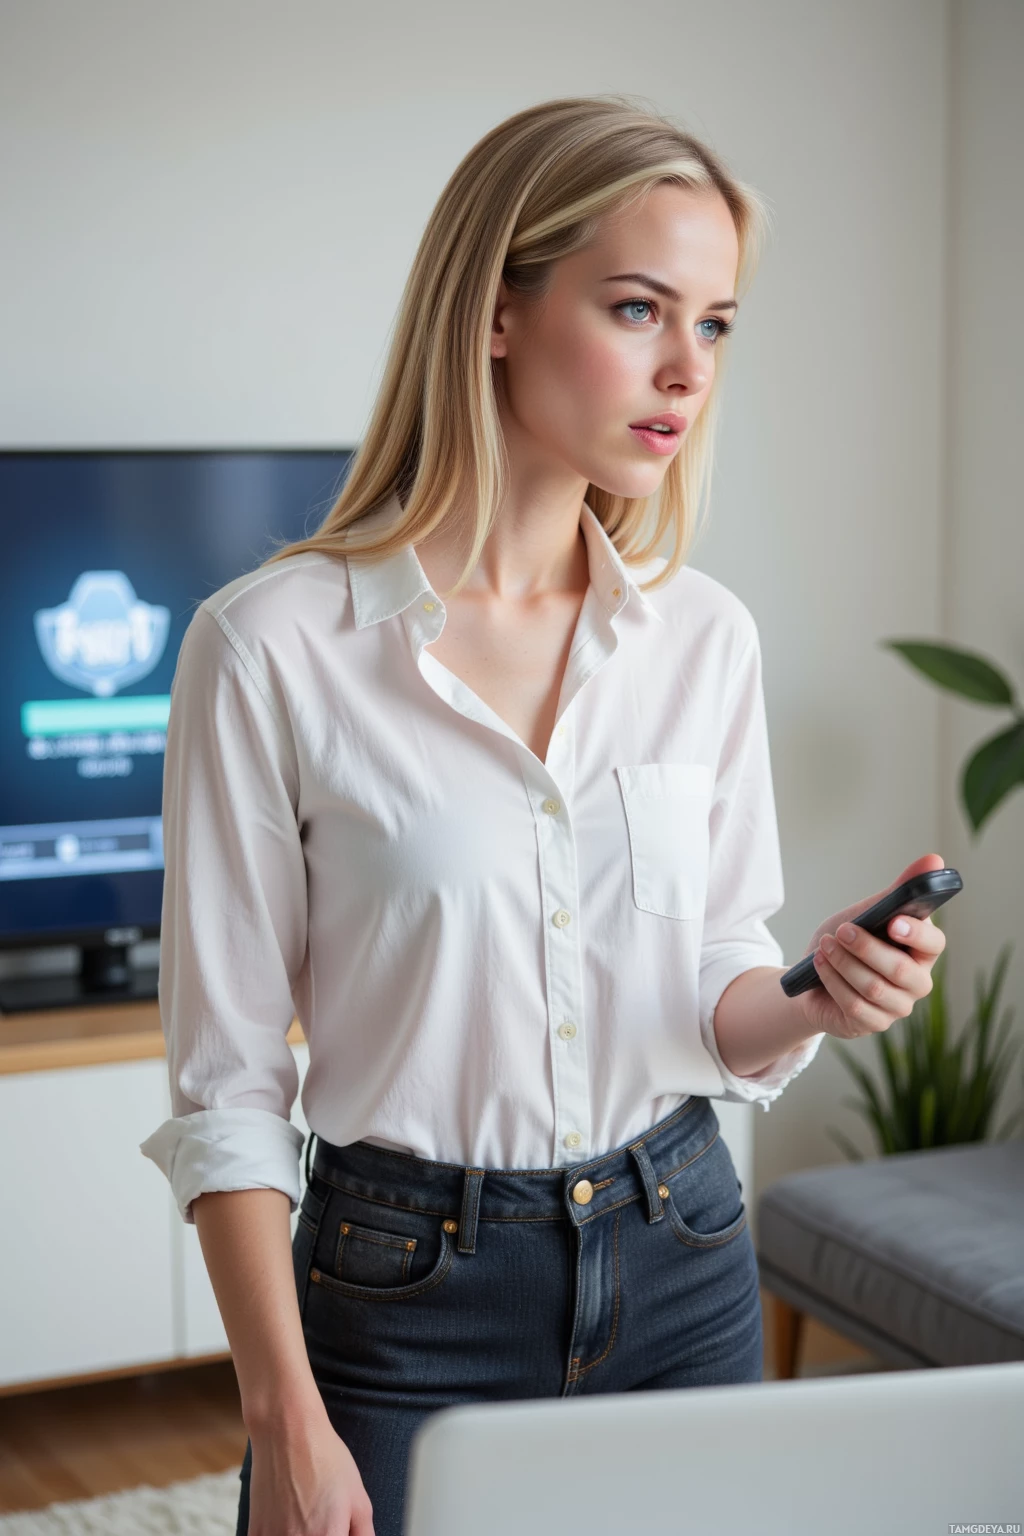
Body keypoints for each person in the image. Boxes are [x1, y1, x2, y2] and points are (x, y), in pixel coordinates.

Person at [140, 94, 946, 1536]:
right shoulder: (268, 648)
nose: (684, 369)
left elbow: (709, 988)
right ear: (497, 312)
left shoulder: (703, 639)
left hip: (686, 1244)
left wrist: (814, 995)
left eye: (714, 325)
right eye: (639, 308)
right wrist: (285, 1417)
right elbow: (228, 1090)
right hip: (398, 1293)